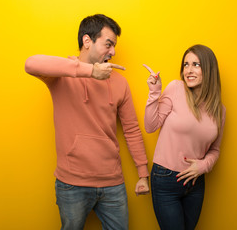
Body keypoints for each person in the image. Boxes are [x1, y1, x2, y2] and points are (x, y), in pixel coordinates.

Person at [25, 14, 150, 230]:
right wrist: (90, 72)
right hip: (72, 183)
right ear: (87, 41)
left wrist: (143, 174)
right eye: (108, 44)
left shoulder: (120, 83)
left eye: (114, 46)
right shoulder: (63, 74)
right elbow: (31, 63)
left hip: (113, 183)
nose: (113, 52)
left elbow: (131, 130)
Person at [143, 44, 226, 230]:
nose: (188, 70)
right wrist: (154, 92)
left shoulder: (219, 110)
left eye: (196, 65)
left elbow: (215, 149)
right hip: (165, 179)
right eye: (186, 64)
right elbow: (151, 126)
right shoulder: (175, 88)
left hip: (196, 182)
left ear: (209, 70)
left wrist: (203, 166)